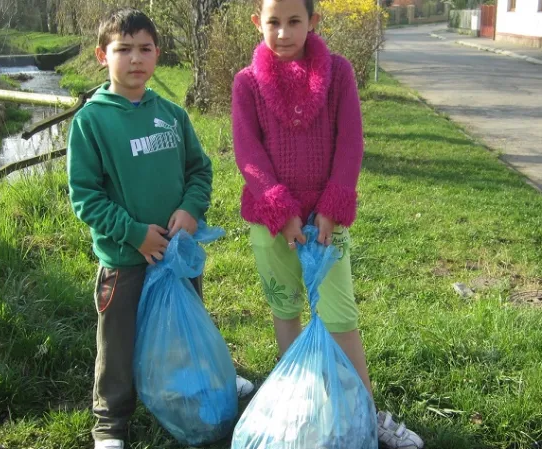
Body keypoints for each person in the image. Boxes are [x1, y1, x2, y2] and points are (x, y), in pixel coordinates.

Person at [231, 0, 424, 448]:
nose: (282, 33)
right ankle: (297, 404)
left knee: (340, 317)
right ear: (257, 22)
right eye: (273, 22)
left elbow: (350, 140)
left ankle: (365, 411)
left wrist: (332, 206)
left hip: (325, 226)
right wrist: (280, 210)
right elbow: (248, 153)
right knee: (286, 312)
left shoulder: (339, 73)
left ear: (313, 22)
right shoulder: (246, 83)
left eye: (294, 21)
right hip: (271, 223)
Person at [66, 9, 254, 449]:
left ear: (158, 55)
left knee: (184, 328)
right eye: (123, 49)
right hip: (126, 260)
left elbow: (199, 171)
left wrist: (190, 210)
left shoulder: (171, 114)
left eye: (145, 49)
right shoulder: (92, 122)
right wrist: (133, 233)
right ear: (101, 55)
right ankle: (110, 423)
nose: (135, 59)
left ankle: (201, 382)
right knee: (118, 345)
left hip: (177, 255)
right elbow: (85, 197)